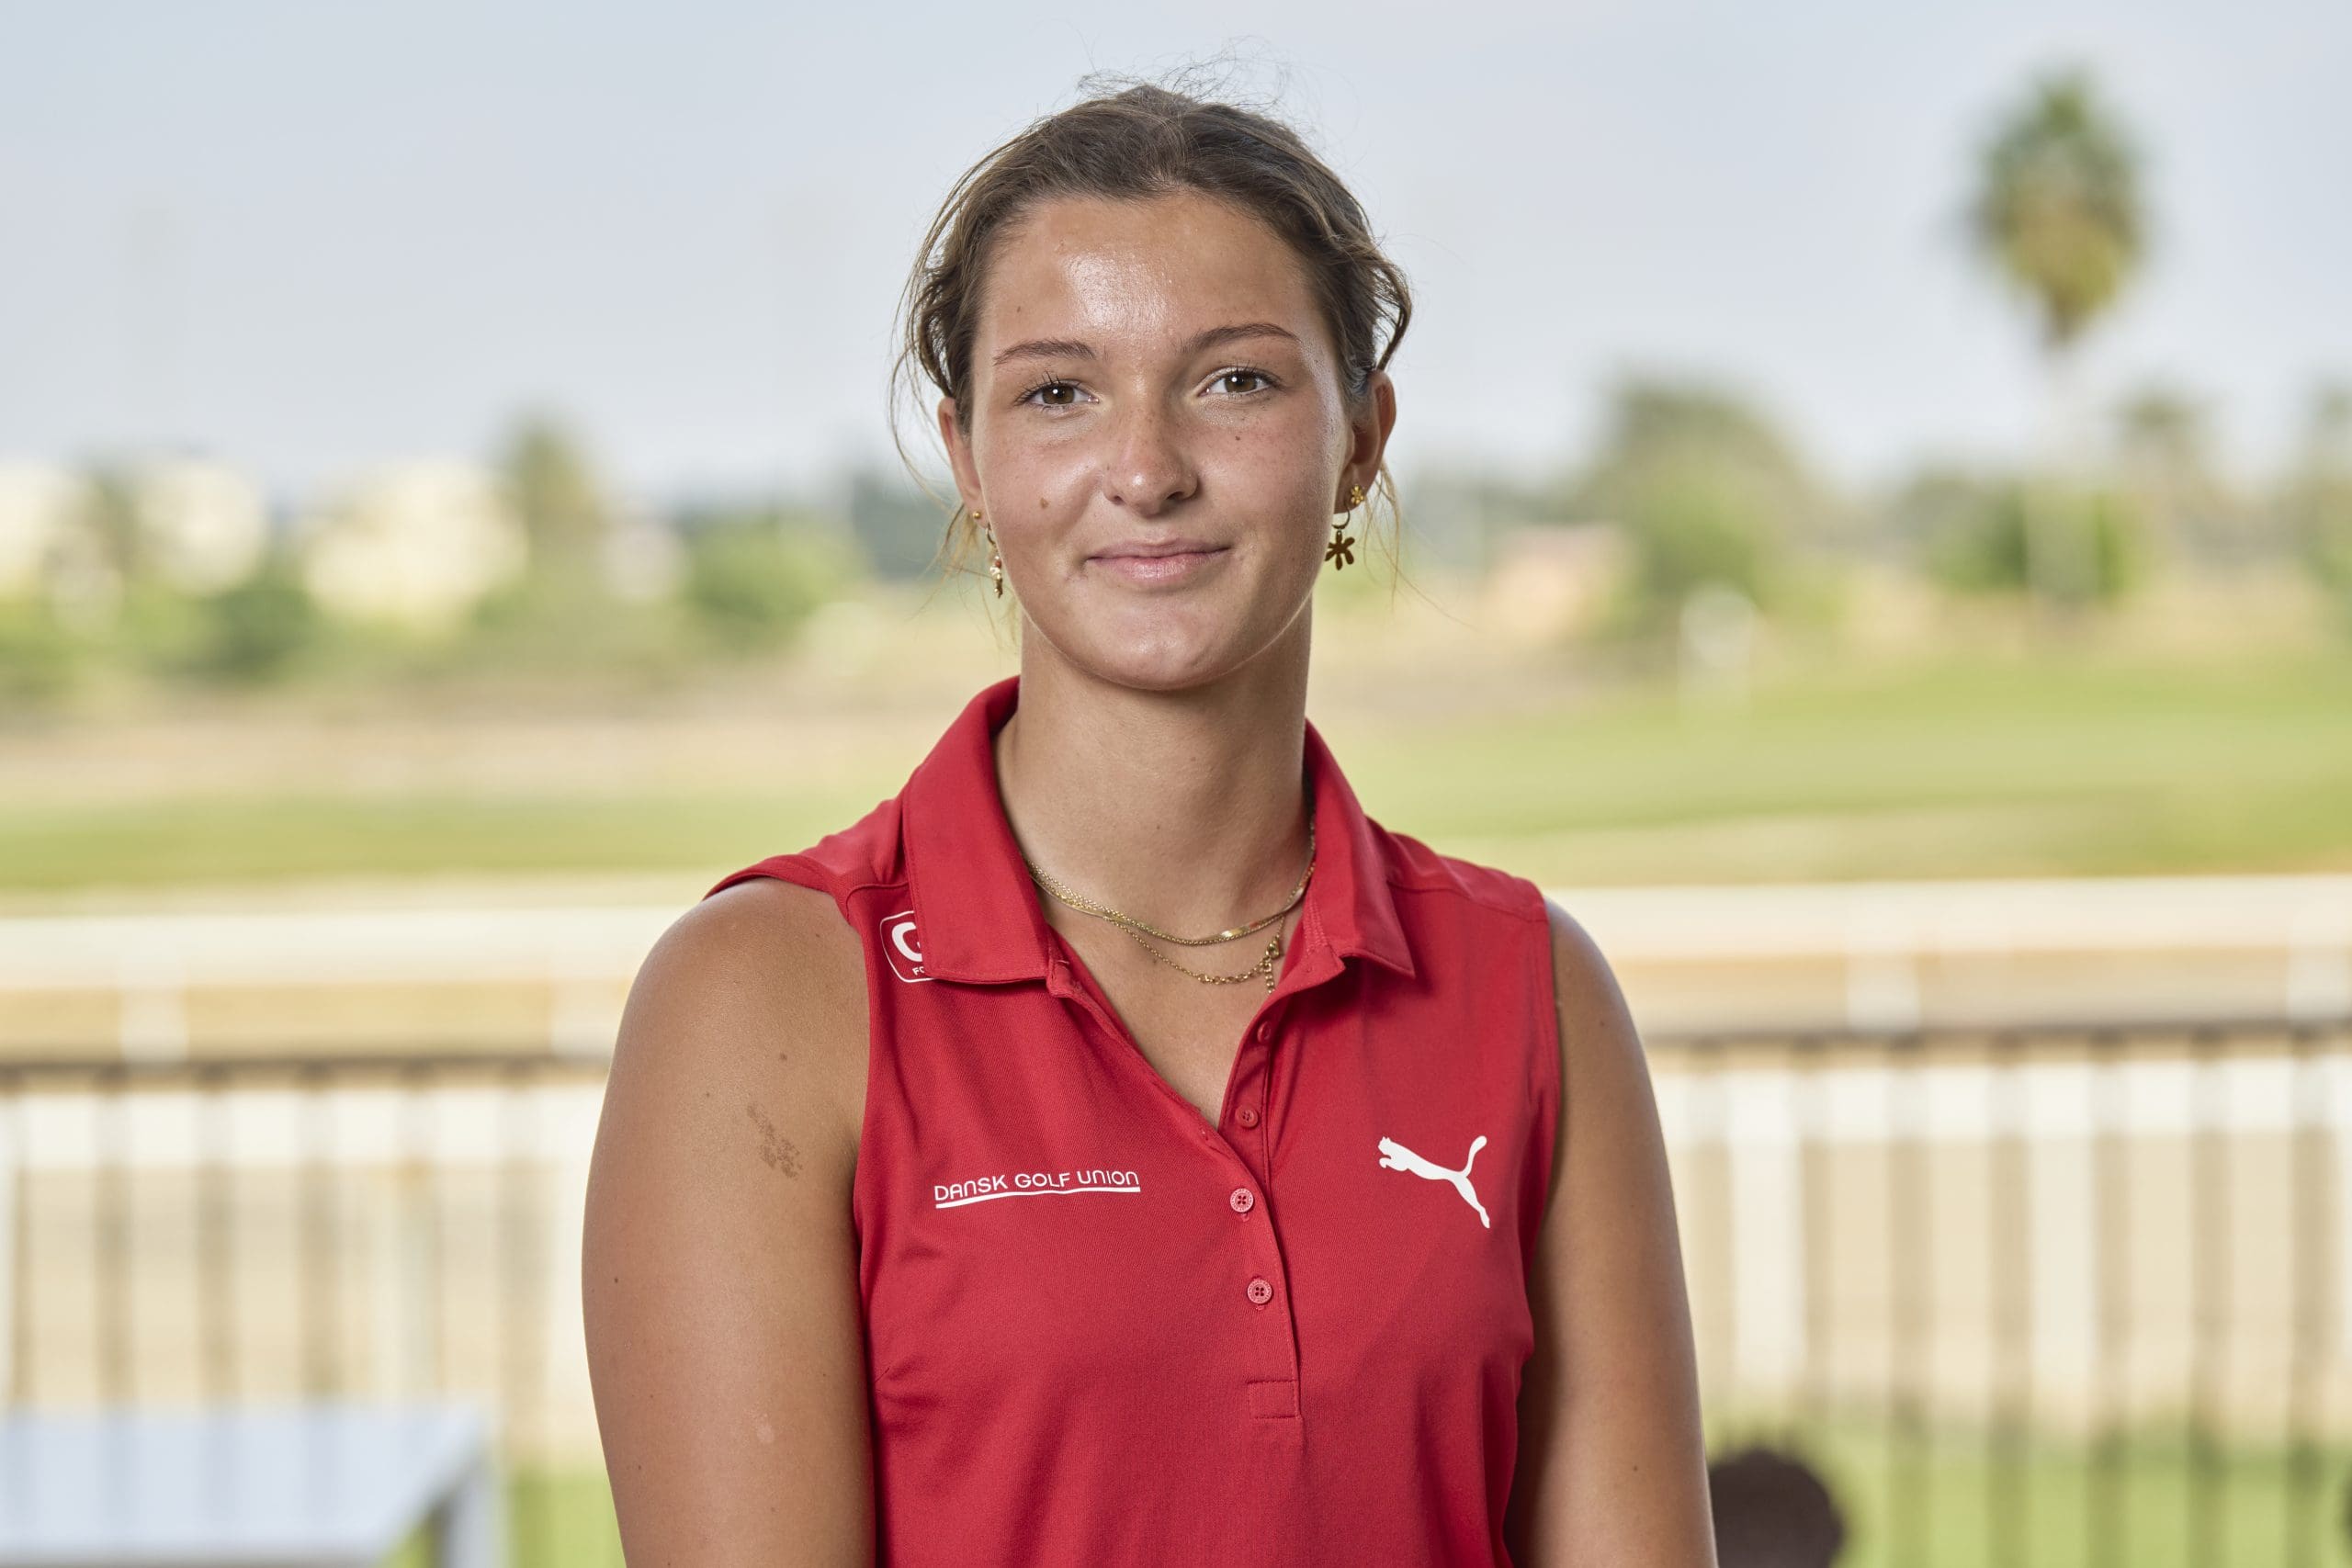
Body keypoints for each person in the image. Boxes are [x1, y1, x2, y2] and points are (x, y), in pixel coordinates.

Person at [582, 70, 1715, 1568]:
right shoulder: (764, 999)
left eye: (1236, 381)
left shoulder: (1530, 987)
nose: (1146, 470)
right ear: (970, 461)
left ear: (1362, 439)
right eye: (1058, 393)